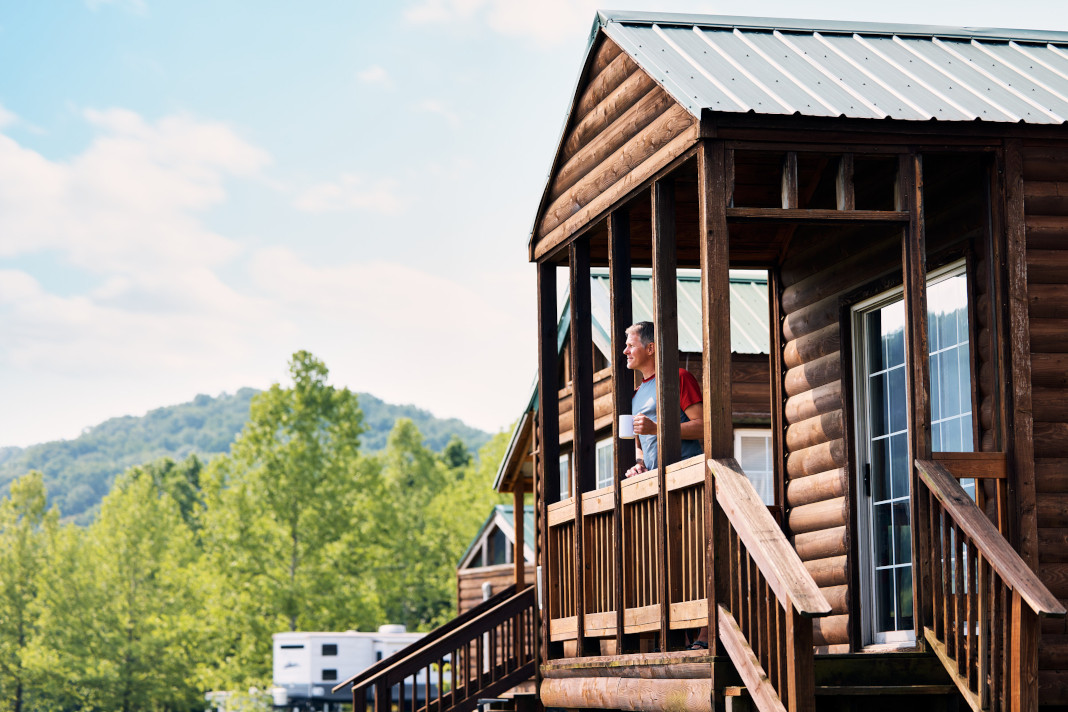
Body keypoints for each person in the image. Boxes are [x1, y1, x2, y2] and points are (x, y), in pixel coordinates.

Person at [622, 321, 704, 478]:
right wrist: (639, 464)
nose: (625, 351)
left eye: (631, 345)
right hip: (656, 482)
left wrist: (656, 428)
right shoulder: (636, 395)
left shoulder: (678, 378)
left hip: (687, 476)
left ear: (650, 348)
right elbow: (640, 444)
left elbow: (703, 428)